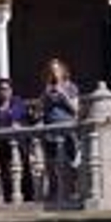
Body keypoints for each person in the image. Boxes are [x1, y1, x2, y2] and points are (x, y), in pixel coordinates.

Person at [40, 58, 80, 200]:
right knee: (52, 164)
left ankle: (72, 191)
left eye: (56, 69)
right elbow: (43, 110)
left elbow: (76, 110)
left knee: (70, 162)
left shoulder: (71, 87)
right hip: (50, 130)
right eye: (51, 70)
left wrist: (63, 95)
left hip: (67, 129)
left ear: (63, 71)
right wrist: (45, 98)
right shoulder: (47, 89)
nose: (54, 73)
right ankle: (54, 192)